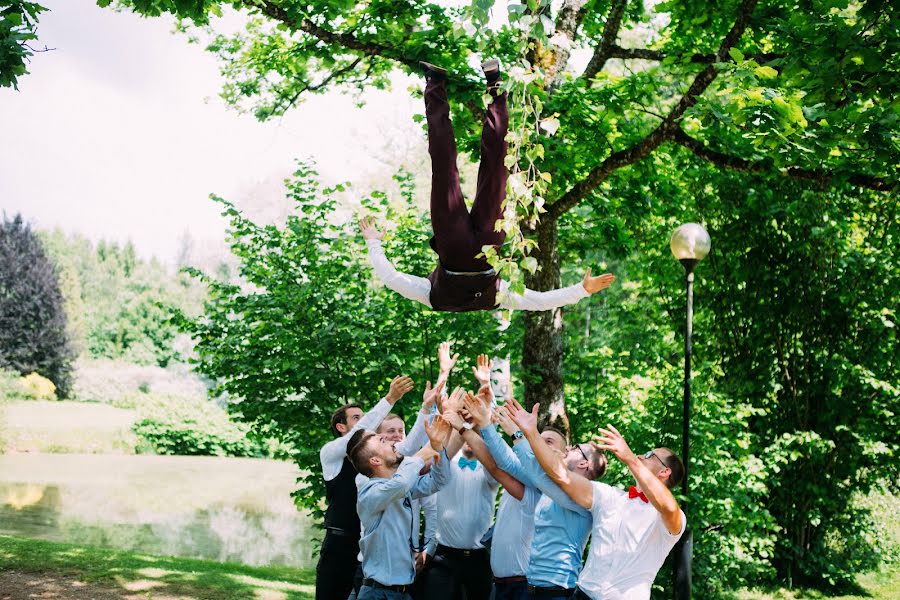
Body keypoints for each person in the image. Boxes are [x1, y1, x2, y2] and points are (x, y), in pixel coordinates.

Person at [358, 59, 614, 312]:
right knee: (445, 168)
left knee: (496, 169)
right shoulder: (435, 299)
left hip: (485, 244)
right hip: (454, 244)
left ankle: (492, 84)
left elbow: (540, 302)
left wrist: (581, 290)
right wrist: (373, 243)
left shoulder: (495, 298)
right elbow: (392, 279)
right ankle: (437, 82)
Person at [508, 407, 686, 600]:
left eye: (650, 454)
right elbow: (561, 475)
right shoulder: (609, 496)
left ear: (665, 472)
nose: (641, 455)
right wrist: (531, 433)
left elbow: (668, 506)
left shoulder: (670, 517)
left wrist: (630, 459)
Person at [473, 396, 606, 599]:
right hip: (532, 589)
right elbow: (508, 463)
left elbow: (536, 471)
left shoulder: (586, 496)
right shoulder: (547, 485)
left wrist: (519, 433)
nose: (570, 448)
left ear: (584, 464)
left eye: (575, 447)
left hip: (557, 593)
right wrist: (485, 425)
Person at [315, 375, 415, 600]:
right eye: (357, 418)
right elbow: (357, 433)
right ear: (341, 426)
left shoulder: (381, 457)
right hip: (340, 543)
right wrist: (390, 399)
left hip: (369, 546)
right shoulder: (330, 453)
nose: (366, 422)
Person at [349, 414, 454, 599]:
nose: (391, 442)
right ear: (375, 461)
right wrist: (427, 450)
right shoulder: (369, 492)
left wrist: (438, 447)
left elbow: (440, 481)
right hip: (377, 594)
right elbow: (399, 485)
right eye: (382, 440)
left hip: (404, 592)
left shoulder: (402, 485)